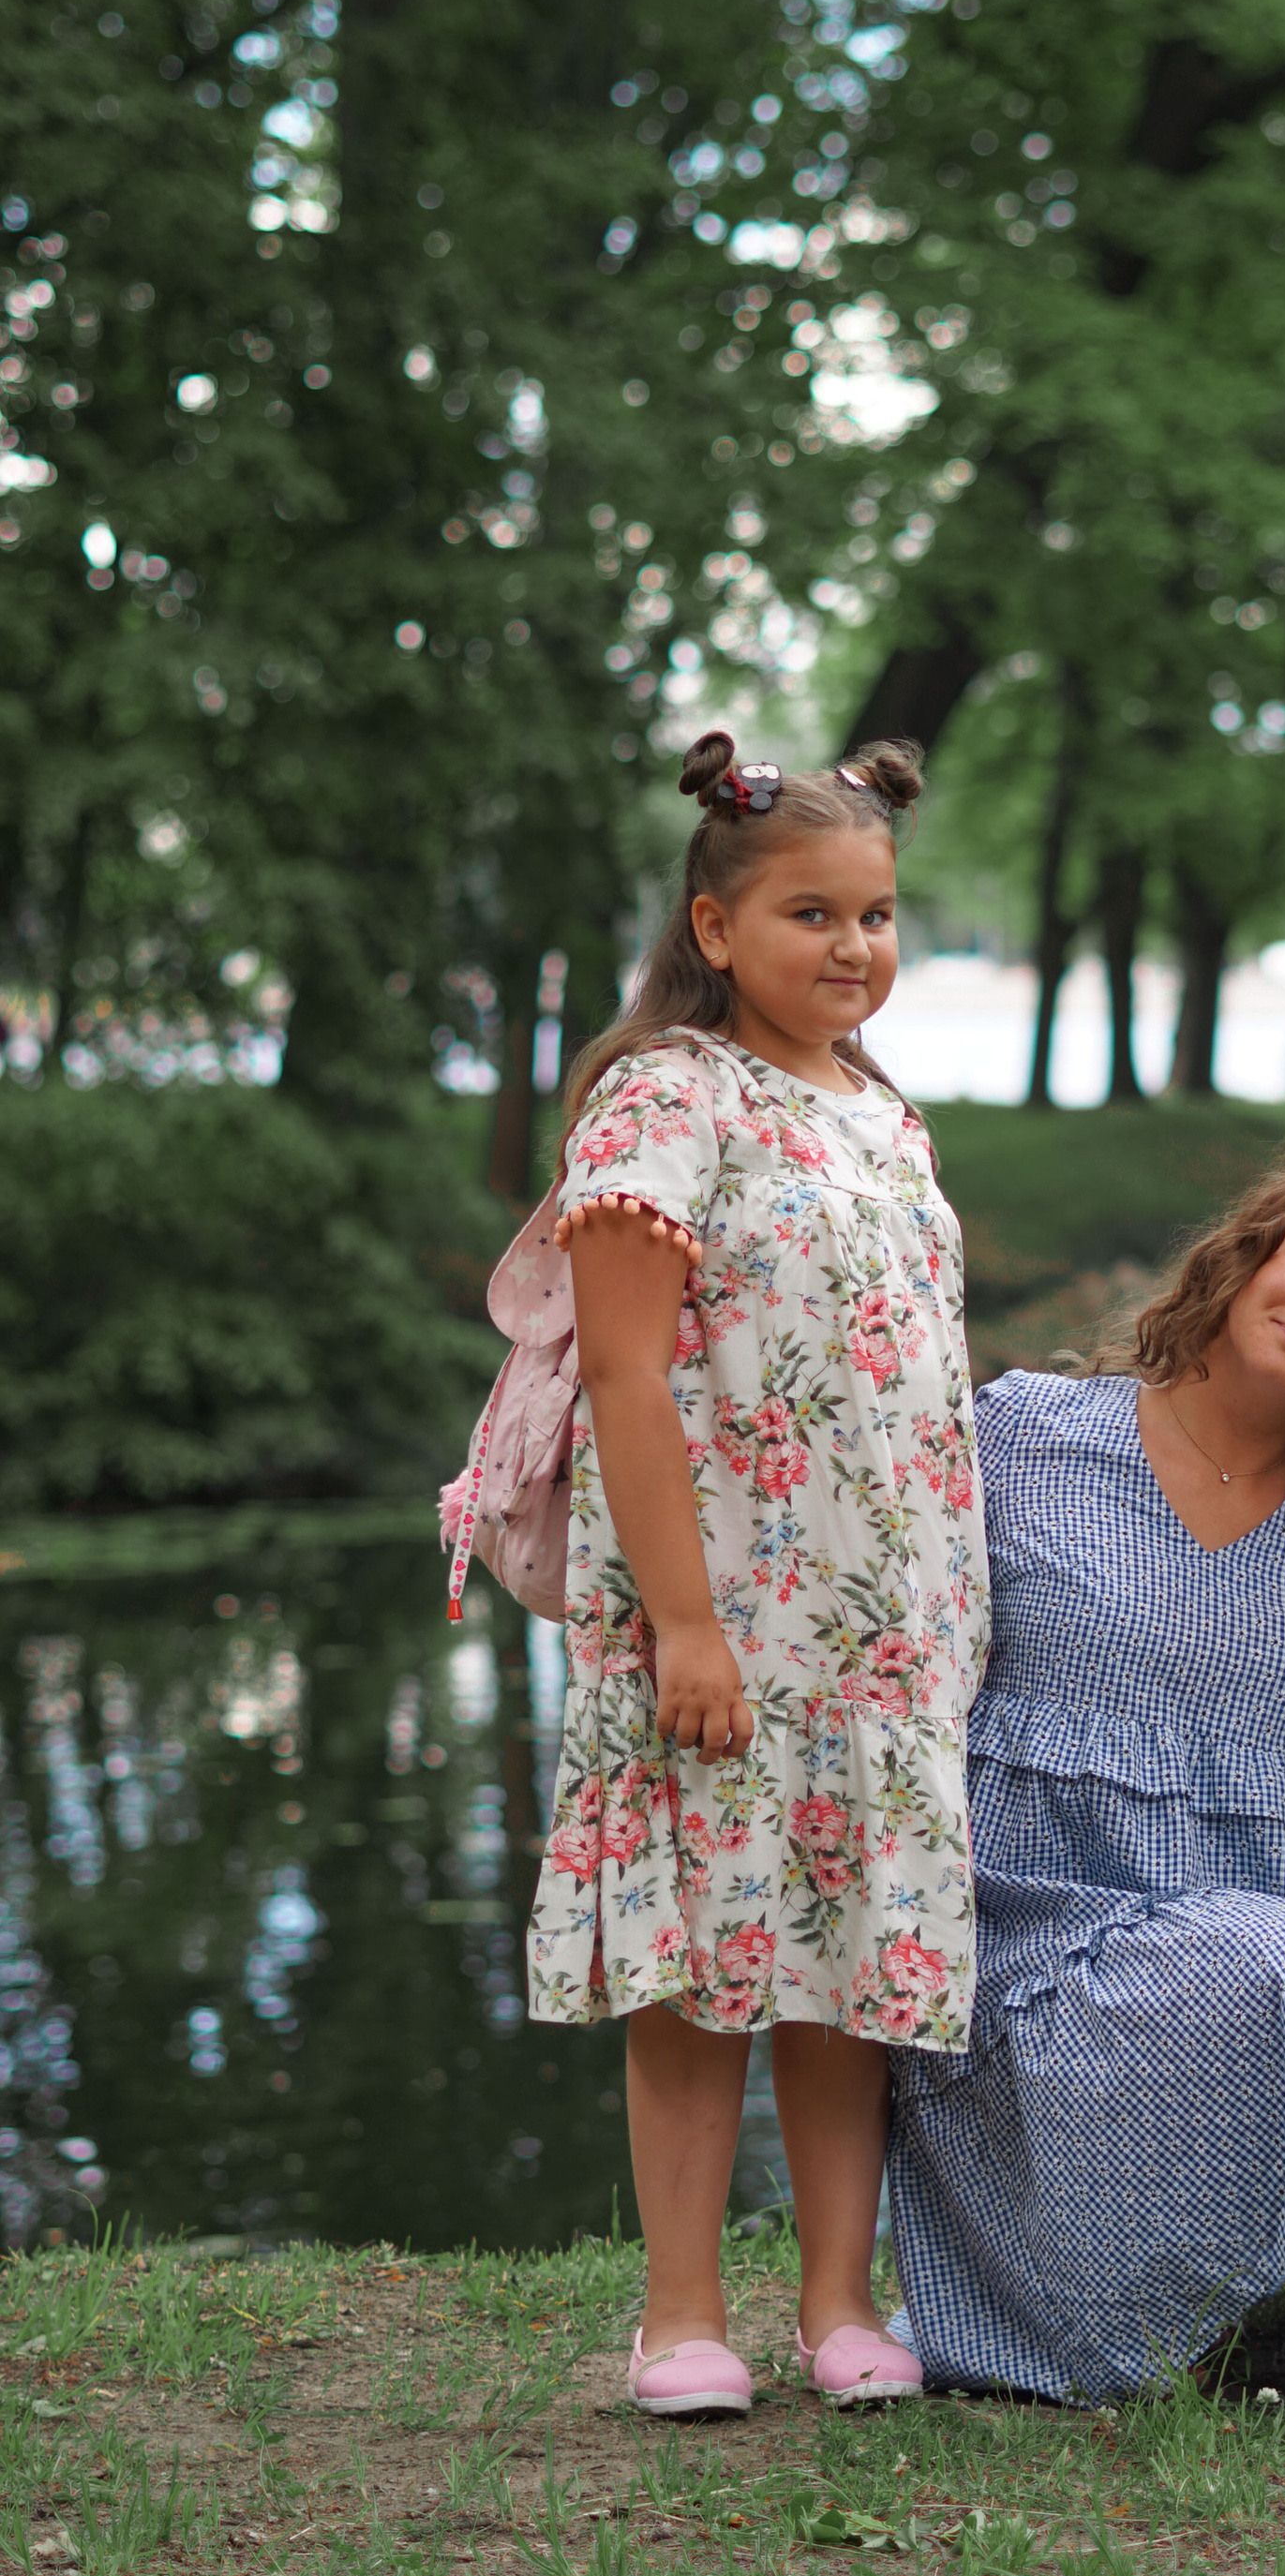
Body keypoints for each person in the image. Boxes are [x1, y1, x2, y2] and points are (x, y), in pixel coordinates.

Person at [528, 729, 984, 2421]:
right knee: (706, 1964)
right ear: (718, 930)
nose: (854, 948)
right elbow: (629, 1378)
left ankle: (841, 2304)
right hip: (726, 1618)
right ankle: (678, 2313)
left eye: (876, 914)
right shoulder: (665, 1096)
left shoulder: (884, 1114)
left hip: (887, 1634)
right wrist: (687, 1626)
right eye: (812, 913)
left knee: (849, 1967)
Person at [888, 1161, 1285, 2415]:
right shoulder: (1025, 1433)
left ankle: (1254, 2337)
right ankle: (1120, 2317)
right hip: (1029, 1986)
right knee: (1249, 1955)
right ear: (1249, 1255)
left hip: (1277, 2019)